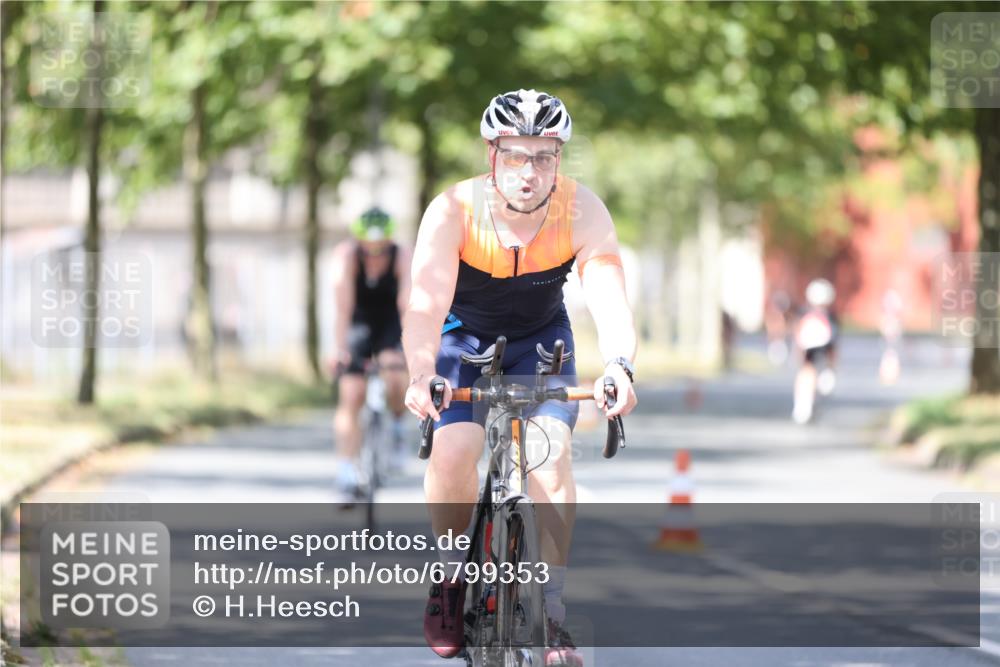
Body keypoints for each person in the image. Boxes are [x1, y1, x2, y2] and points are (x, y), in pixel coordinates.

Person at [401, 89, 638, 667]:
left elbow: (609, 300)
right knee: (455, 449)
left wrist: (619, 365)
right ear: (491, 156)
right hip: (462, 340)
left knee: (551, 458)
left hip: (541, 342)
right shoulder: (452, 211)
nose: (529, 172)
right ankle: (451, 577)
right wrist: (421, 373)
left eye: (543, 157)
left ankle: (551, 615)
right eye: (515, 156)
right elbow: (426, 306)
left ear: (559, 159)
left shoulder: (583, 211)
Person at [331, 207, 412, 497]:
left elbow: (406, 305)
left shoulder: (402, 255)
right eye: (369, 248)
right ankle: (345, 472)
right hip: (360, 323)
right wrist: (339, 349)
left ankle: (399, 430)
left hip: (391, 322)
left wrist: (410, 349)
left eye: (381, 248)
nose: (375, 254)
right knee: (351, 394)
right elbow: (343, 308)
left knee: (394, 375)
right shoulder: (347, 256)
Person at [792, 278, 839, 424]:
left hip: (816, 348)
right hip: (814, 348)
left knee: (808, 374)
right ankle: (804, 405)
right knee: (808, 373)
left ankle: (804, 404)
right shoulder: (824, 316)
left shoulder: (823, 316)